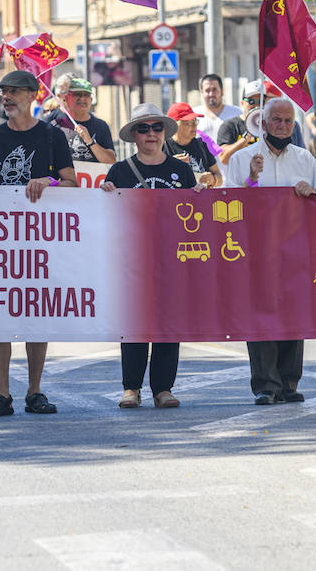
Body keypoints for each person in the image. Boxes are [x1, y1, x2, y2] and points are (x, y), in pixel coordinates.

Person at [0, 70, 77, 417]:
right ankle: (2, 394)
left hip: (40, 241)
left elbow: (71, 184)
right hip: (0, 240)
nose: (7, 97)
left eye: (15, 91)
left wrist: (46, 181)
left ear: (33, 95)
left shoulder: (52, 136)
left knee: (36, 313)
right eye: (3, 91)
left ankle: (34, 391)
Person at [222, 98, 316, 404]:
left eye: (287, 120)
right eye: (276, 120)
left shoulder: (305, 159)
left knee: (294, 313)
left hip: (296, 249)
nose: (282, 125)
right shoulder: (243, 159)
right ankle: (266, 385)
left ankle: (289, 383)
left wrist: (310, 194)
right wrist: (252, 180)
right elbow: (230, 206)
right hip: (256, 251)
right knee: (260, 315)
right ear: (263, 124)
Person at [102, 104, 200, 408]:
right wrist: (104, 194)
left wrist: (199, 196)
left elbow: (196, 217)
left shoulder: (182, 170)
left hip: (173, 258)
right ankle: (131, 387)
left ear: (164, 133)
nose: (151, 134)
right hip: (131, 260)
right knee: (133, 322)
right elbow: (104, 218)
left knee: (168, 322)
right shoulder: (119, 171)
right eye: (143, 129)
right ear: (134, 135)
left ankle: (163, 388)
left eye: (157, 128)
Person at [43, 75, 116, 165]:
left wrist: (90, 141)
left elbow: (111, 161)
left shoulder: (101, 125)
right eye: (77, 94)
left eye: (86, 95)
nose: (82, 98)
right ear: (67, 99)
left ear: (91, 99)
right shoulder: (55, 126)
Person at [165, 102, 221, 187]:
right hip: (174, 199)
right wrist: (170, 164)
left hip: (200, 198)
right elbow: (153, 177)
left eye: (195, 121)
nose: (194, 126)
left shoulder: (201, 145)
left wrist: (213, 179)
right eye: (190, 123)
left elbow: (219, 177)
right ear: (174, 125)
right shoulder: (162, 147)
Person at [193, 74, 242, 141]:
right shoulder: (194, 115)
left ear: (222, 91)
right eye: (207, 90)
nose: (211, 94)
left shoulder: (236, 113)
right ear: (202, 92)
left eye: (214, 89)